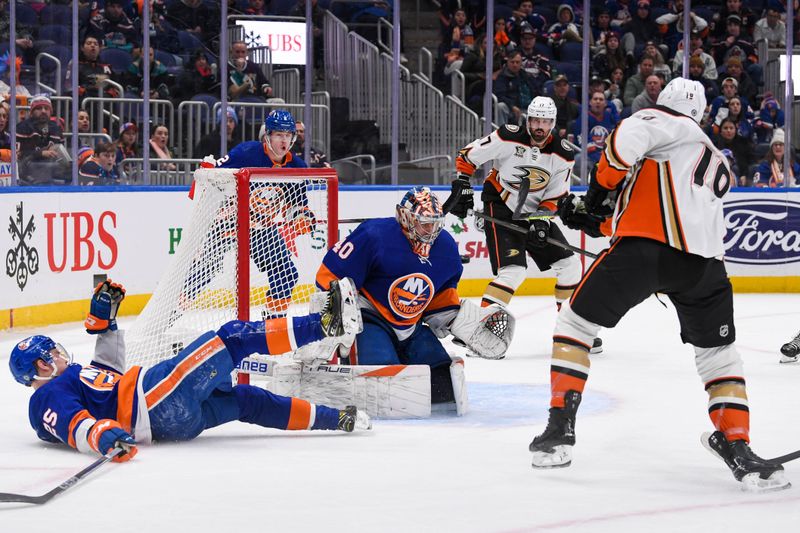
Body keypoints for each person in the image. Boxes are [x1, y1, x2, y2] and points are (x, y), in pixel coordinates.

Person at [531, 77, 790, 492]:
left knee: (575, 325)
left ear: (663, 102)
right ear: (702, 112)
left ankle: (560, 425)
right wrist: (598, 221)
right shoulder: (709, 152)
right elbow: (669, 205)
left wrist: (598, 191)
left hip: (647, 253)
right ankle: (737, 444)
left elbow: (619, 147)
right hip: (705, 268)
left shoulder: (658, 120)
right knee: (720, 356)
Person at [9, 278, 371, 462]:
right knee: (231, 339)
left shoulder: (68, 382)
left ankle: (336, 419)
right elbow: (75, 424)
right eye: (52, 353)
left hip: (172, 421)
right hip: (153, 399)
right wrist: (101, 437)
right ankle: (326, 324)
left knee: (246, 400)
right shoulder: (46, 397)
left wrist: (104, 322)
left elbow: (109, 372)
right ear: (41, 365)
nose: (59, 353)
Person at [315, 187, 513, 411]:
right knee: (384, 381)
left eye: (436, 223)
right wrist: (340, 317)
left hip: (412, 326)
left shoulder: (445, 247)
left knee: (443, 384)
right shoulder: (374, 235)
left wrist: (460, 322)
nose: (431, 230)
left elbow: (440, 298)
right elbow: (328, 276)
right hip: (370, 318)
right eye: (424, 222)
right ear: (405, 217)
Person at [444, 96, 602, 355]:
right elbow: (469, 155)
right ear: (528, 120)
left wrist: (541, 220)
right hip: (501, 204)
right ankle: (477, 332)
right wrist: (462, 182)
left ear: (553, 123)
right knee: (513, 271)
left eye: (545, 121)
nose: (540, 126)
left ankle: (570, 328)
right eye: (536, 120)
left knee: (571, 265)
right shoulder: (508, 136)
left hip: (534, 212)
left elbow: (554, 195)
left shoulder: (563, 153)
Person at [186, 110, 313, 318]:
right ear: (268, 135)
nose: (284, 140)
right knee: (206, 269)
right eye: (279, 135)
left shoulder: (296, 166)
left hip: (261, 227)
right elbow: (216, 173)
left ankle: (271, 325)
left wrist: (301, 217)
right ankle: (170, 313)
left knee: (287, 273)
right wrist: (209, 170)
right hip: (229, 221)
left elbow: (296, 205)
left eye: (288, 135)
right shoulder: (247, 152)